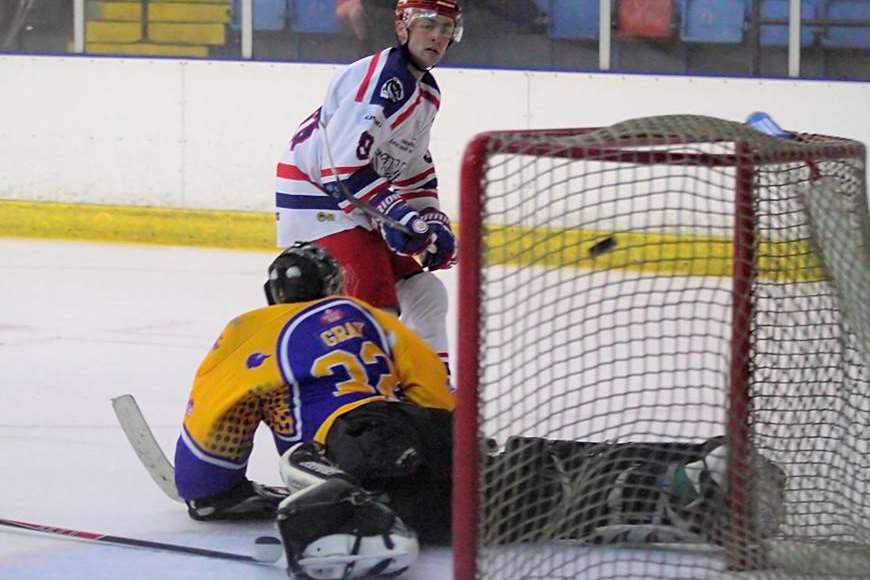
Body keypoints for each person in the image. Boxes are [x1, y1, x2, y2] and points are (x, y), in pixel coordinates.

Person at [173, 242, 455, 578]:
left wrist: (211, 490)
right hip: (418, 430)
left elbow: (216, 408)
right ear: (333, 286)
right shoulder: (372, 316)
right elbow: (435, 391)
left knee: (299, 459)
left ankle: (358, 525)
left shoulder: (249, 330)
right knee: (442, 495)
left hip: (352, 444)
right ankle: (507, 481)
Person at [275, 0, 463, 379]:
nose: (437, 37)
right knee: (375, 297)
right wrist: (402, 216)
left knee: (426, 291)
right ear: (402, 28)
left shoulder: (426, 92)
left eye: (446, 29)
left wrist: (428, 217)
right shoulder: (383, 79)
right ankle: (371, 402)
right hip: (317, 197)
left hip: (357, 195)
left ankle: (433, 394)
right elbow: (341, 170)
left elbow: (413, 166)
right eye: (428, 25)